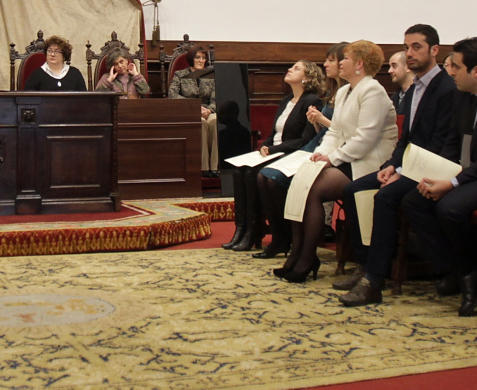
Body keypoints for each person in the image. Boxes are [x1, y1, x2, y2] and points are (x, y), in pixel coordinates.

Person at [343, 37, 477, 311]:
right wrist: (437, 175)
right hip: (471, 171)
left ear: (476, 71)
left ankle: (470, 268)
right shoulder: (464, 97)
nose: (451, 71)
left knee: (450, 207)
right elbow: (453, 144)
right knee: (413, 201)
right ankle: (460, 268)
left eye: (456, 66)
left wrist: (452, 182)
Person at [273, 41, 397, 284]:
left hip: (371, 161)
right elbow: (335, 133)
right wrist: (322, 154)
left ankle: (308, 257)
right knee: (302, 179)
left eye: (346, 58)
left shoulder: (373, 90)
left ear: (359, 64)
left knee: (314, 188)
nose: (340, 62)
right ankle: (297, 253)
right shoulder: (343, 91)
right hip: (347, 156)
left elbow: (365, 139)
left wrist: (333, 158)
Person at [339, 24, 456, 270]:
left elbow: (440, 143)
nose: (410, 53)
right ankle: (363, 264)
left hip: (434, 167)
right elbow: (406, 139)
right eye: (406, 47)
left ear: (435, 50)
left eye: (417, 47)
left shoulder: (447, 88)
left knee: (386, 196)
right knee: (353, 189)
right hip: (408, 164)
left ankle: (376, 274)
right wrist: (392, 165)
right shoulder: (414, 88)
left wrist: (403, 172)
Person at [228, 59, 324, 254]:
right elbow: (274, 133)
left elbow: (304, 140)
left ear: (307, 78)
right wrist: (265, 145)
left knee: (253, 174)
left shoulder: (312, 101)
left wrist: (272, 150)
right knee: (239, 172)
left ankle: (262, 231)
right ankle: (244, 228)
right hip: (274, 151)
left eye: (296, 68)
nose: (289, 69)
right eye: (291, 66)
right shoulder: (286, 100)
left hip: (291, 153)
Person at [167, 46, 219, 177]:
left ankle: (215, 166)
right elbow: (172, 95)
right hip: (189, 110)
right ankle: (203, 167)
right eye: (198, 57)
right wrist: (195, 108)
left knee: (214, 121)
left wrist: (209, 109)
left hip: (209, 111)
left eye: (203, 58)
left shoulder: (211, 75)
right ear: (191, 59)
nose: (201, 60)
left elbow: (216, 97)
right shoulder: (180, 74)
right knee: (201, 123)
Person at [23, 36, 87, 92]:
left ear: (64, 55)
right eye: (50, 51)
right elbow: (28, 99)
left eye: (56, 51)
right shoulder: (37, 74)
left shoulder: (75, 73)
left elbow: (83, 99)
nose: (52, 54)